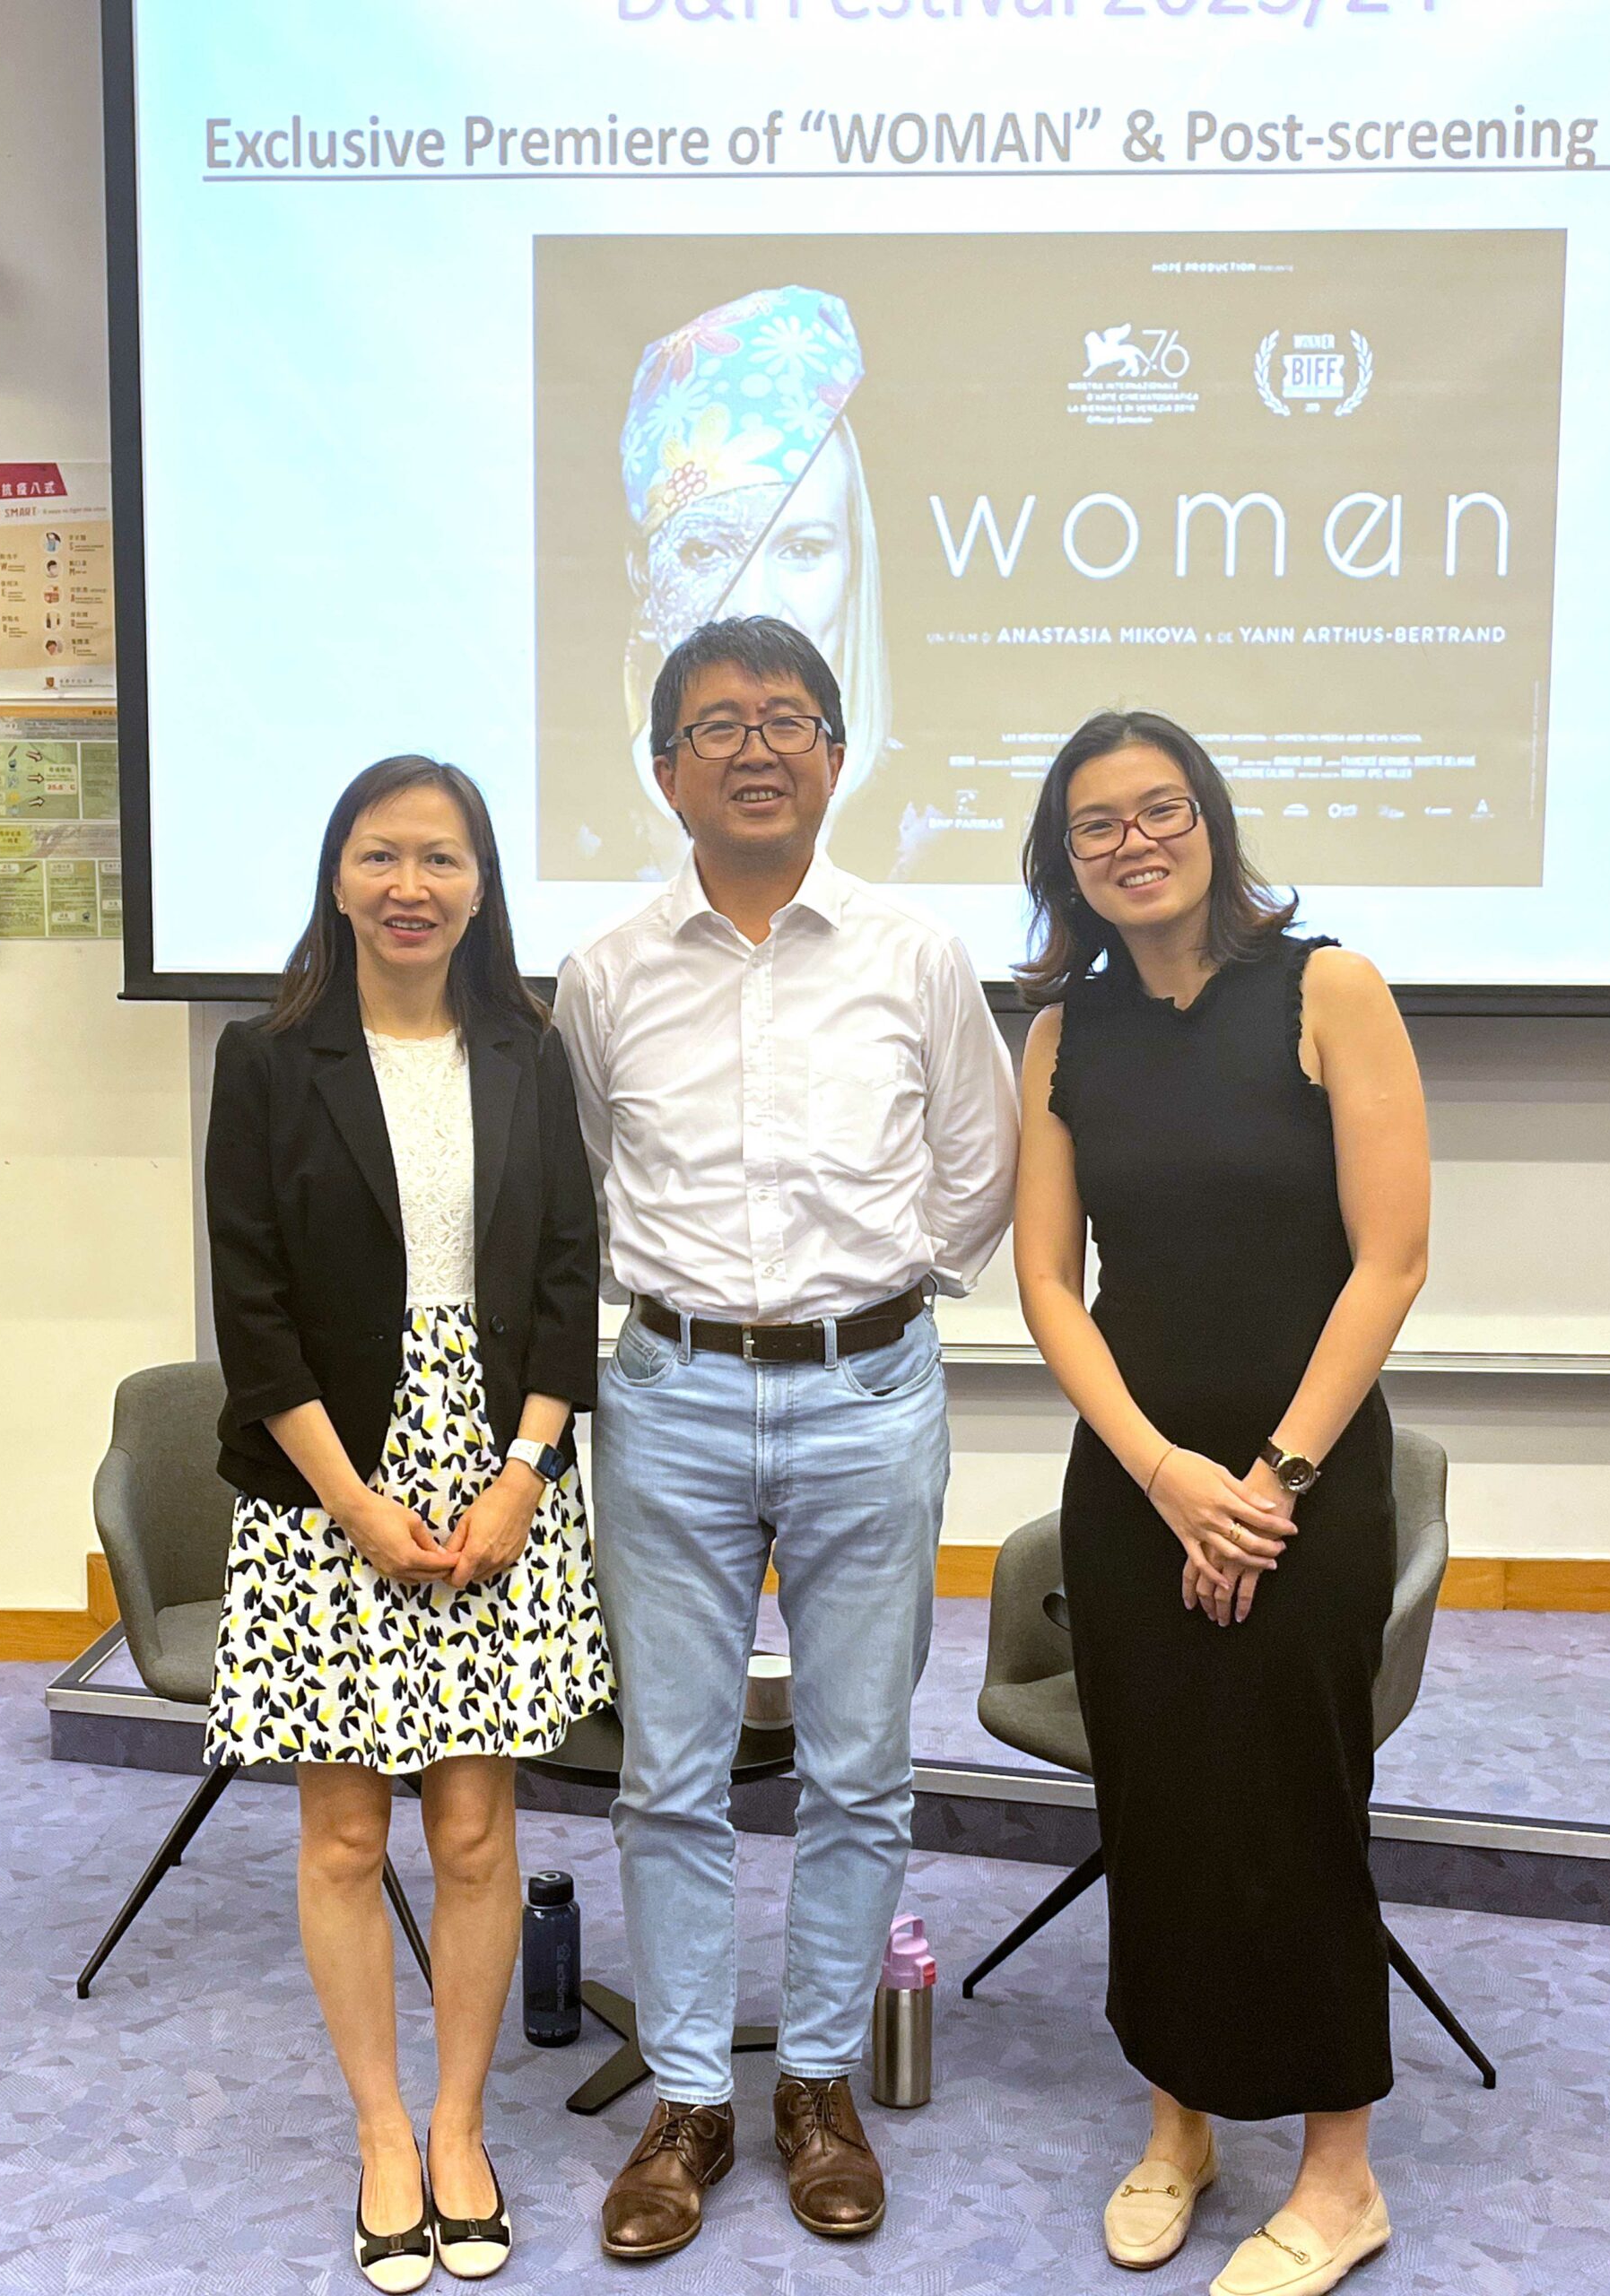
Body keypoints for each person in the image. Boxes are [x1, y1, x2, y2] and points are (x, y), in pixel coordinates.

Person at [554, 614, 1018, 2259]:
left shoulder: (914, 952)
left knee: (859, 1764)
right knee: (670, 1772)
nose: (757, 746)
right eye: (720, 723)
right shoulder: (606, 973)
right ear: (664, 766)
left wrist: (872, 1307)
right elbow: (582, 1184)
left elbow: (978, 1168)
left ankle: (817, 2079)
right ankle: (689, 2099)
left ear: (836, 751)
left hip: (868, 1390)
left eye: (791, 718)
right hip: (669, 1396)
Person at [1012, 710, 1430, 2296]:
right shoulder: (1062, 1033)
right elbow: (1050, 1281)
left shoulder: (1329, 990)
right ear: (1066, 859)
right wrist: (1168, 1474)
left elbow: (1389, 1256)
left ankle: (1340, 2173)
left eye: (1159, 809)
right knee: (1164, 1804)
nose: (1133, 841)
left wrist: (1269, 1484)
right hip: (1139, 1478)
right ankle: (1178, 2124)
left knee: (1297, 1808)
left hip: (1305, 1480)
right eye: (1096, 824)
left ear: (1209, 818)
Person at [205, 754, 614, 2292]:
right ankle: (380, 2130)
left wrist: (526, 1473)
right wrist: (357, 1505)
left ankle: (459, 2127)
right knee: (342, 1833)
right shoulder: (266, 1059)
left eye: (441, 858)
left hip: (499, 1464)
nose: (410, 886)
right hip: (328, 1474)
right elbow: (252, 1310)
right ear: (336, 876)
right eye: (381, 856)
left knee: (474, 1826)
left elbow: (571, 1274)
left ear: (480, 882)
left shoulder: (528, 1050)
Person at [617, 285, 939, 881]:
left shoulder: (928, 845)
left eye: (803, 549)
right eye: (706, 550)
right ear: (646, 574)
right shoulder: (601, 920)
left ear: (854, 567)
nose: (754, 604)